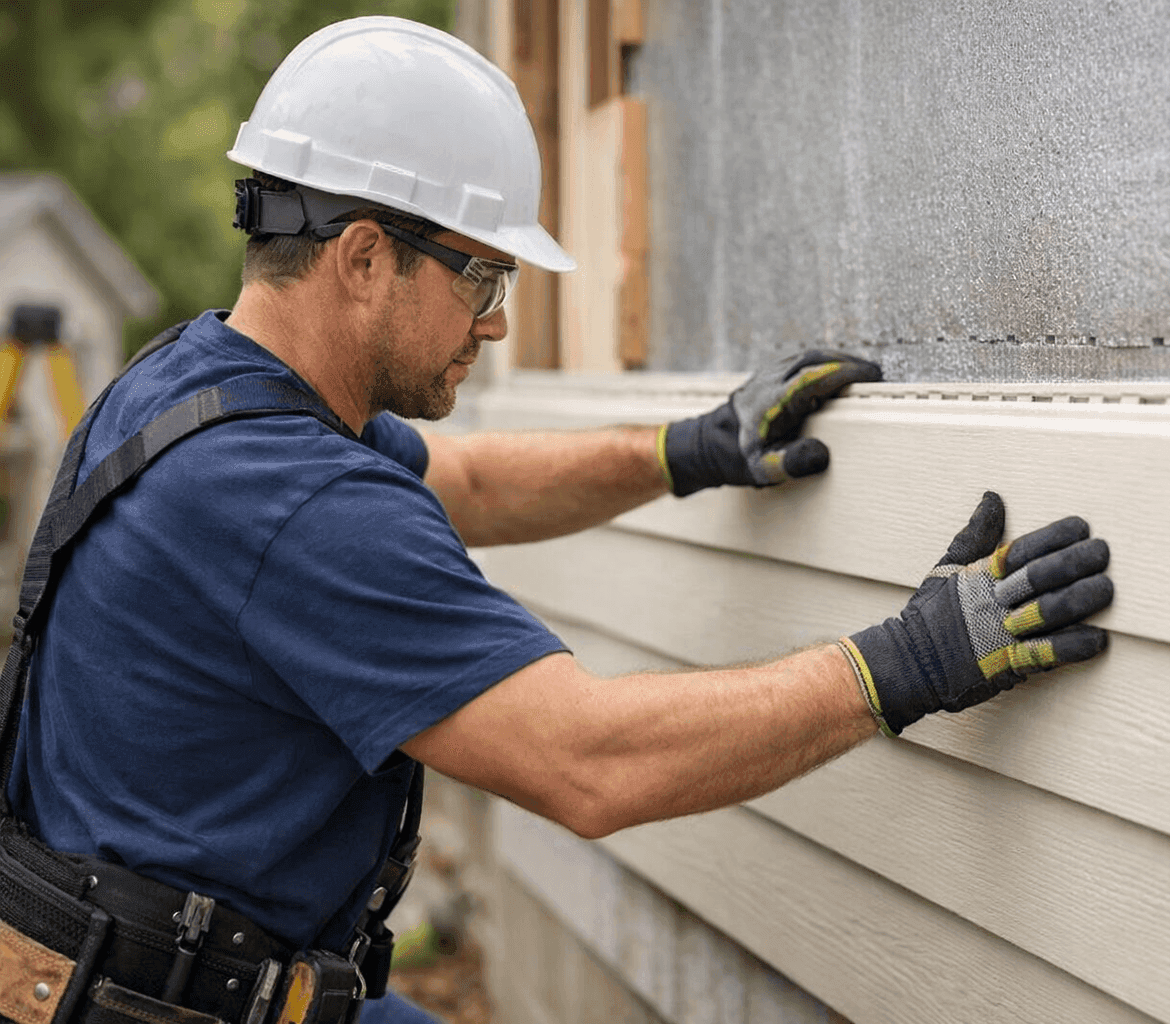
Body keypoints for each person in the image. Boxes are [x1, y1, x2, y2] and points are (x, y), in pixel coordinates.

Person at [2, 16, 1113, 1024]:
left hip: (143, 976)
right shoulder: (292, 503)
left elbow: (470, 482)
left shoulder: (192, 389)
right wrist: (902, 664)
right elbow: (588, 762)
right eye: (482, 277)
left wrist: (687, 451)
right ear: (364, 257)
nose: (493, 323)